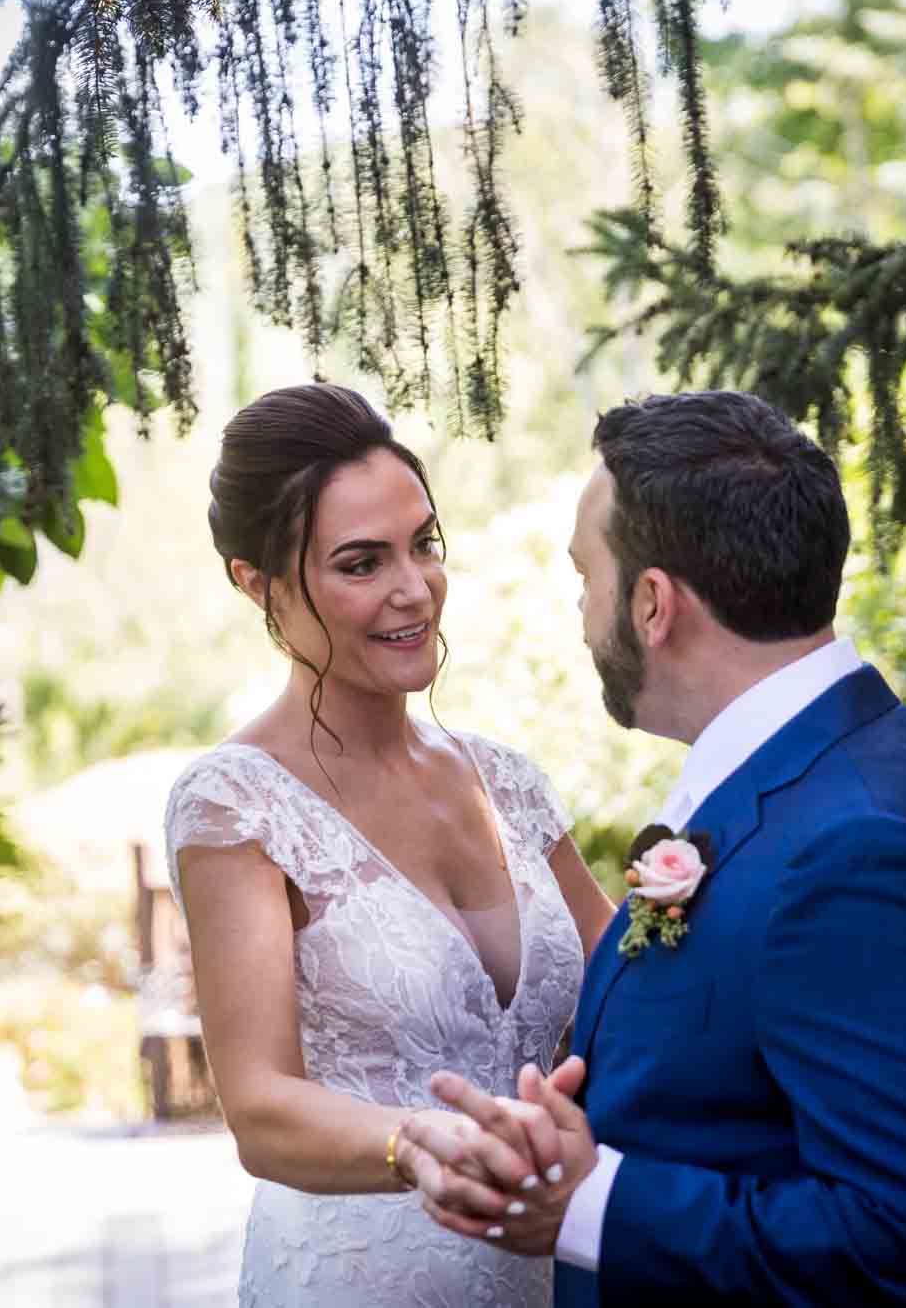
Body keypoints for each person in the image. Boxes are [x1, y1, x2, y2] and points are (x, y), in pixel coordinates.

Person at [407, 390, 906, 1306]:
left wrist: (592, 1203)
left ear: (653, 603)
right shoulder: (832, 759)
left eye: (586, 576)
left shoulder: (863, 845)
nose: (584, 611)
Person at [161, 382, 616, 1306]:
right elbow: (258, 1107)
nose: (415, 589)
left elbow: (635, 982)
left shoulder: (512, 781)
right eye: (362, 563)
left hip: (551, 1272)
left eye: (424, 544)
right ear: (258, 582)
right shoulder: (235, 805)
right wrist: (413, 1142)